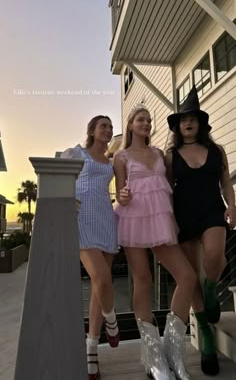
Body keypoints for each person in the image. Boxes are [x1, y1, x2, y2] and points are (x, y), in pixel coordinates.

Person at [114, 106, 197, 380]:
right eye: (141, 120)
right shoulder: (121, 156)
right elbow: (120, 193)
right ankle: (154, 358)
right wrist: (123, 196)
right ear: (130, 124)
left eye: (149, 120)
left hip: (161, 218)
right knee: (143, 280)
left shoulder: (160, 153)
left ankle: (173, 351)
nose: (147, 124)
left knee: (186, 276)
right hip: (134, 218)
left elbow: (169, 187)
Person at [165, 85, 236, 376]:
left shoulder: (216, 151)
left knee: (215, 256)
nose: (188, 122)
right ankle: (205, 333)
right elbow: (167, 189)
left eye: (192, 118)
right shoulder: (171, 155)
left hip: (211, 211)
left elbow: (226, 184)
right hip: (183, 216)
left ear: (201, 122)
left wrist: (232, 206)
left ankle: (211, 290)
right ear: (178, 126)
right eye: (183, 119)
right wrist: (168, 219)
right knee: (191, 275)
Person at [61, 115, 119, 380]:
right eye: (103, 126)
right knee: (101, 277)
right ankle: (112, 319)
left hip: (106, 218)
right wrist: (66, 200)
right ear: (92, 131)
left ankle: (92, 350)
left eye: (110, 126)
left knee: (99, 287)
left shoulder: (111, 161)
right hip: (82, 219)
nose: (107, 130)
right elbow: (56, 176)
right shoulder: (76, 152)